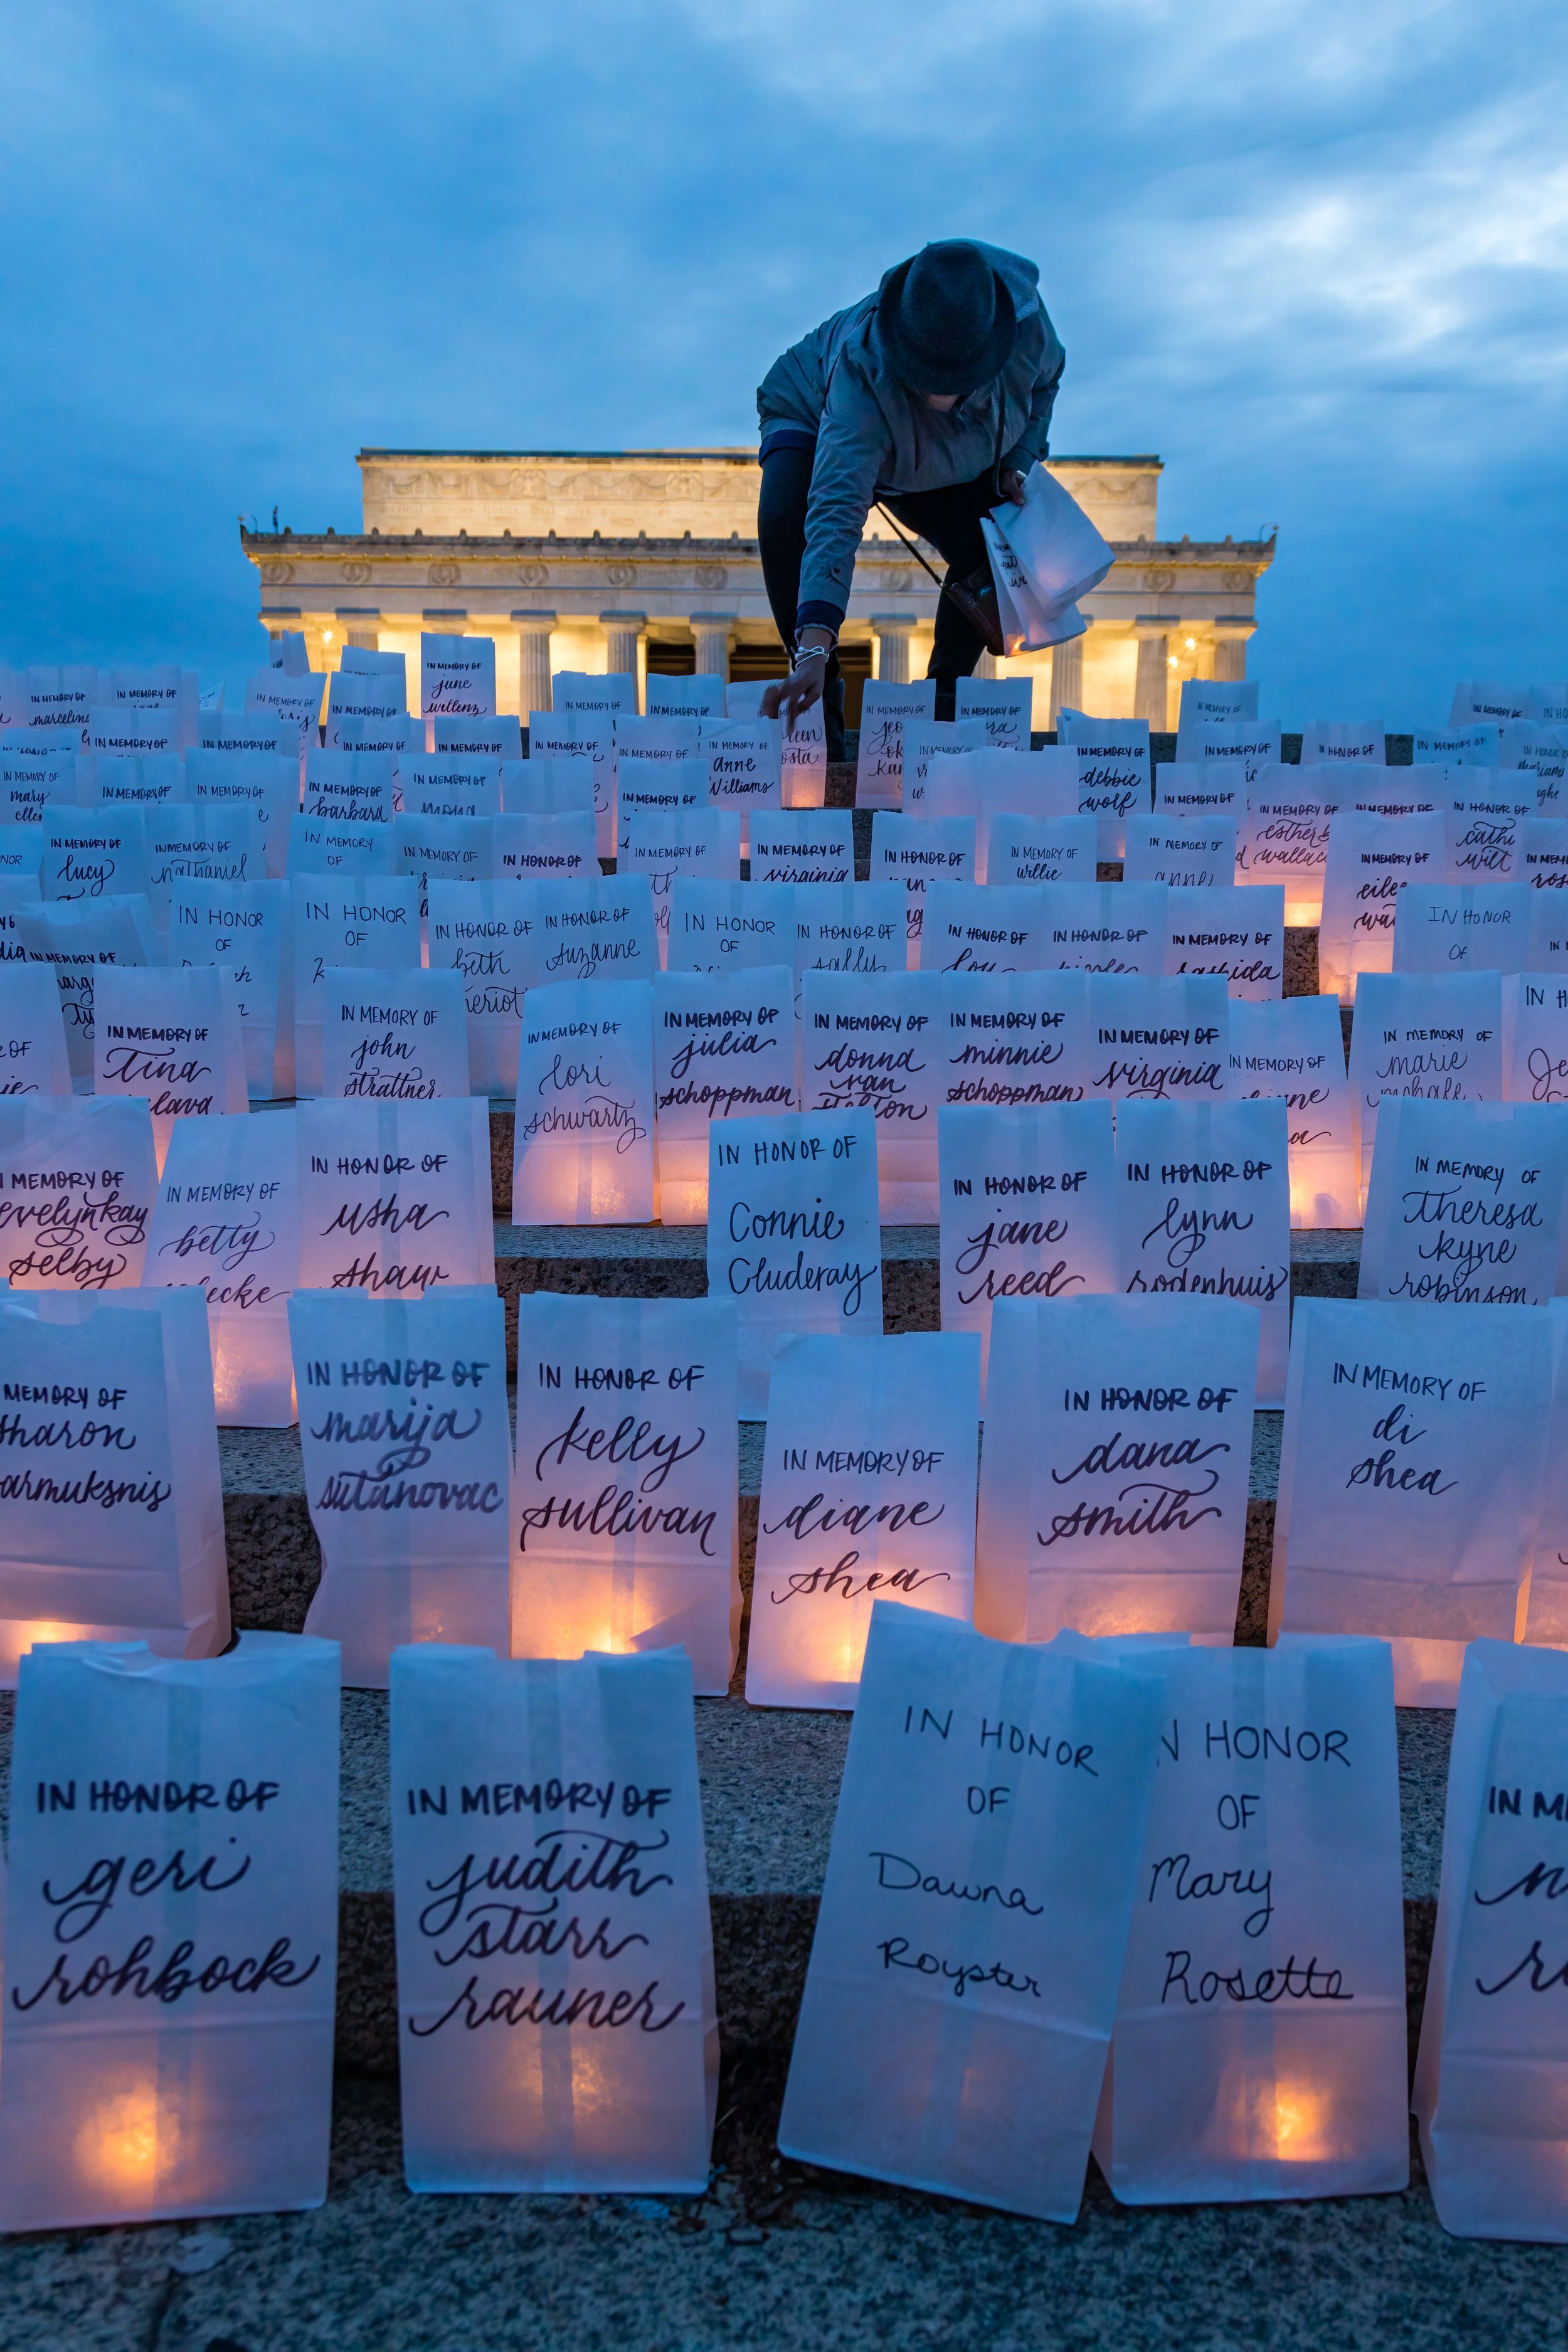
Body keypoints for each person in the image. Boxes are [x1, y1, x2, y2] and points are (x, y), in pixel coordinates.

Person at [756, 239, 1064, 758]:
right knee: (788, 522)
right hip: (811, 407)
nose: (926, 387)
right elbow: (834, 512)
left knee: (988, 542)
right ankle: (821, 712)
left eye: (941, 378)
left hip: (942, 451)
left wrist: (1020, 458)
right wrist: (814, 645)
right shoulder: (861, 382)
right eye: (918, 370)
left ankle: (941, 714)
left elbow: (1045, 386)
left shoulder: (1029, 332)